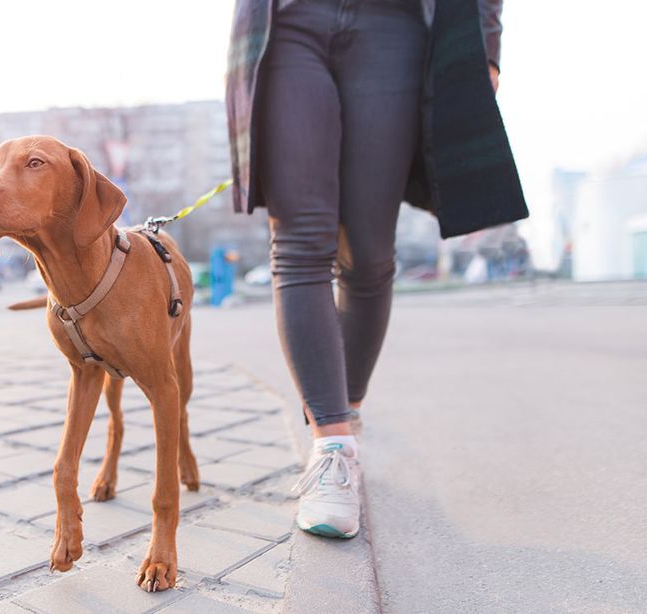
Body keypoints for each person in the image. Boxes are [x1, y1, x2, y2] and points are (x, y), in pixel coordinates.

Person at [225, 0, 527, 538]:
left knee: (368, 254)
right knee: (300, 240)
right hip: (289, 21)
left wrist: (488, 46)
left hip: (393, 27)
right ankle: (333, 448)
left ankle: (345, 412)